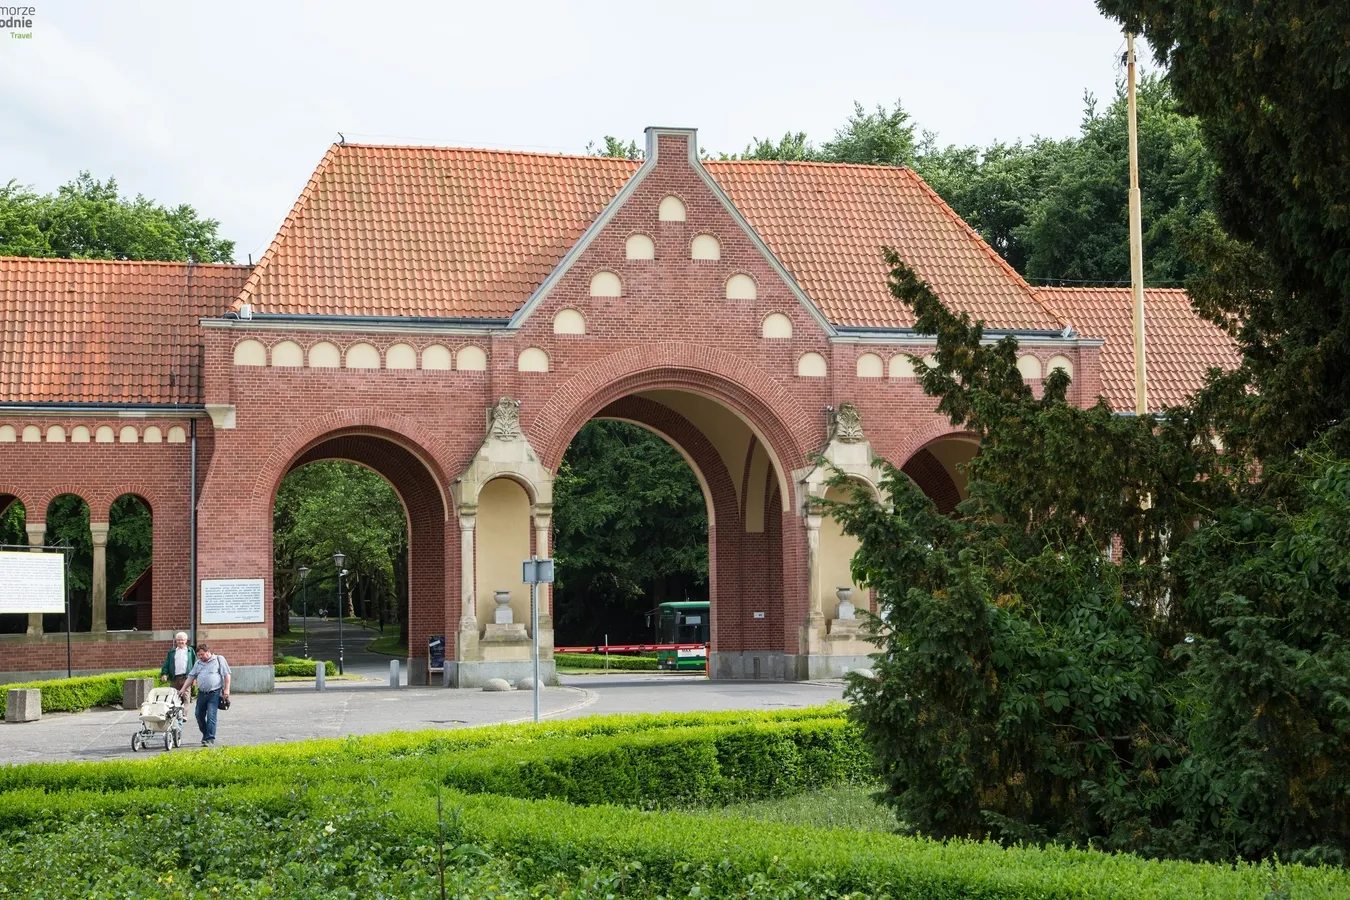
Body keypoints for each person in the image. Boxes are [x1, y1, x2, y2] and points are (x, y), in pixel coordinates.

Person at [178, 643, 231, 747]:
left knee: (211, 716)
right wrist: (183, 689)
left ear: (208, 652)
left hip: (215, 693)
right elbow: (191, 676)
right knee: (199, 715)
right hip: (202, 693)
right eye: (199, 655)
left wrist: (227, 689)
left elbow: (226, 675)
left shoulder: (219, 660)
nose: (201, 657)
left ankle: (210, 738)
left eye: (202, 654)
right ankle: (206, 733)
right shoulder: (198, 663)